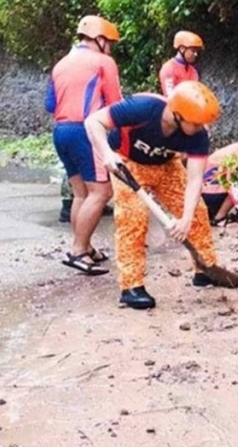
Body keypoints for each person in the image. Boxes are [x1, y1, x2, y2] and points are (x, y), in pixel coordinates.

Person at [84, 81, 228, 309]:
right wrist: (106, 153)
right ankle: (132, 287)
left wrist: (186, 219)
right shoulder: (142, 108)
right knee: (133, 217)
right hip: (127, 163)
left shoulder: (198, 136)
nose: (201, 128)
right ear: (178, 114)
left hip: (166, 165)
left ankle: (205, 270)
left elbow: (194, 179)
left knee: (198, 212)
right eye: (197, 123)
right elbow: (94, 121)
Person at [47, 14, 122, 275]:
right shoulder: (104, 62)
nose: (110, 47)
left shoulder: (60, 64)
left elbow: (50, 105)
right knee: (101, 192)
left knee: (81, 193)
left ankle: (84, 246)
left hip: (61, 131)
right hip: (85, 131)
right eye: (109, 42)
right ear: (99, 39)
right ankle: (78, 251)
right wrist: (120, 140)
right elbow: (115, 105)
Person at [159, 30, 202, 96]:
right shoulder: (168, 69)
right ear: (182, 49)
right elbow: (170, 97)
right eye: (193, 51)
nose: (196, 54)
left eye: (196, 51)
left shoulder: (194, 70)